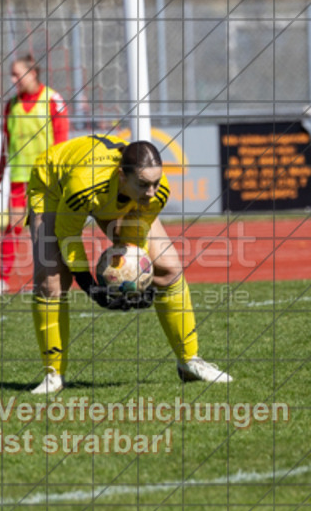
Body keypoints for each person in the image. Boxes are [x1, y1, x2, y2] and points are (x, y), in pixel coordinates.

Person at [28, 134, 232, 394]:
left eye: (156, 183)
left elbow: (134, 239)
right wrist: (89, 285)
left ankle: (190, 362)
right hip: (53, 185)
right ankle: (53, 375)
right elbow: (68, 234)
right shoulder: (84, 186)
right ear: (123, 177)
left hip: (109, 190)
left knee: (167, 269)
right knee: (52, 280)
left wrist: (139, 277)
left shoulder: (157, 191)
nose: (151, 192)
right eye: (144, 184)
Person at [0, 53, 68, 295]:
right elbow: (6, 143)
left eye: (17, 73)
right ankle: (3, 280)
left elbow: (62, 140)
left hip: (46, 179)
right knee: (12, 227)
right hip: (19, 179)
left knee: (47, 230)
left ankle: (54, 277)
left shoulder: (53, 99)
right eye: (11, 74)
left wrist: (60, 176)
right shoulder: (11, 105)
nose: (13, 79)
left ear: (32, 73)